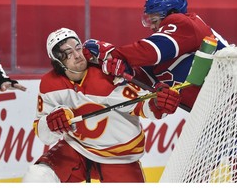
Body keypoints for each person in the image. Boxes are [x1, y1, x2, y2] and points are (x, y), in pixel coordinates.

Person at [22, 28, 181, 183]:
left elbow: (143, 105)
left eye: (78, 48)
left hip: (120, 157)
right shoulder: (50, 84)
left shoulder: (106, 76)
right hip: (77, 150)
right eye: (68, 54)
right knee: (37, 176)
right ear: (57, 62)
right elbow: (42, 133)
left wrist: (159, 104)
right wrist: (51, 124)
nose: (77, 55)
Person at [83, 0, 231, 110]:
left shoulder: (184, 23)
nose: (152, 26)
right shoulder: (175, 48)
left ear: (172, 13)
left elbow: (150, 52)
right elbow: (146, 75)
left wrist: (110, 53)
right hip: (216, 113)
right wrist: (125, 69)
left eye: (154, 20)